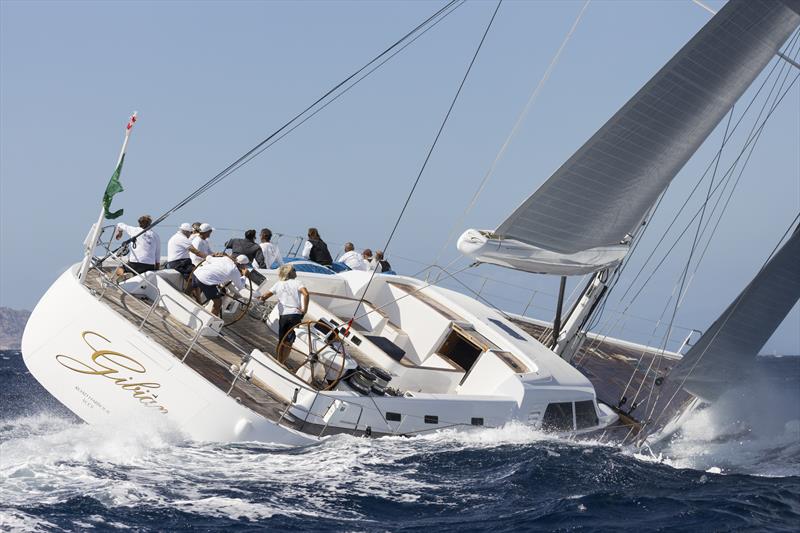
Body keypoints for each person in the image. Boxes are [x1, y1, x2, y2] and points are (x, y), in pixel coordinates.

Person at [258, 264, 309, 362]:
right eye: (294, 270)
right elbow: (306, 294)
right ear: (290, 272)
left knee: (281, 340)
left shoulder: (278, 284)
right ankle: (282, 362)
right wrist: (304, 310)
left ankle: (278, 360)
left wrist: (262, 299)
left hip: (283, 316)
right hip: (295, 315)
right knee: (289, 341)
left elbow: (265, 296)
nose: (296, 272)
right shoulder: (298, 283)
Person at [114, 215, 161, 280]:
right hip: (149, 266)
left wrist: (119, 232)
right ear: (150, 223)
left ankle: (124, 274)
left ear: (139, 223)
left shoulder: (134, 230)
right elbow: (157, 256)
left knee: (119, 269)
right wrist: (156, 270)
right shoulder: (156, 236)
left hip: (134, 264)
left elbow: (119, 224)